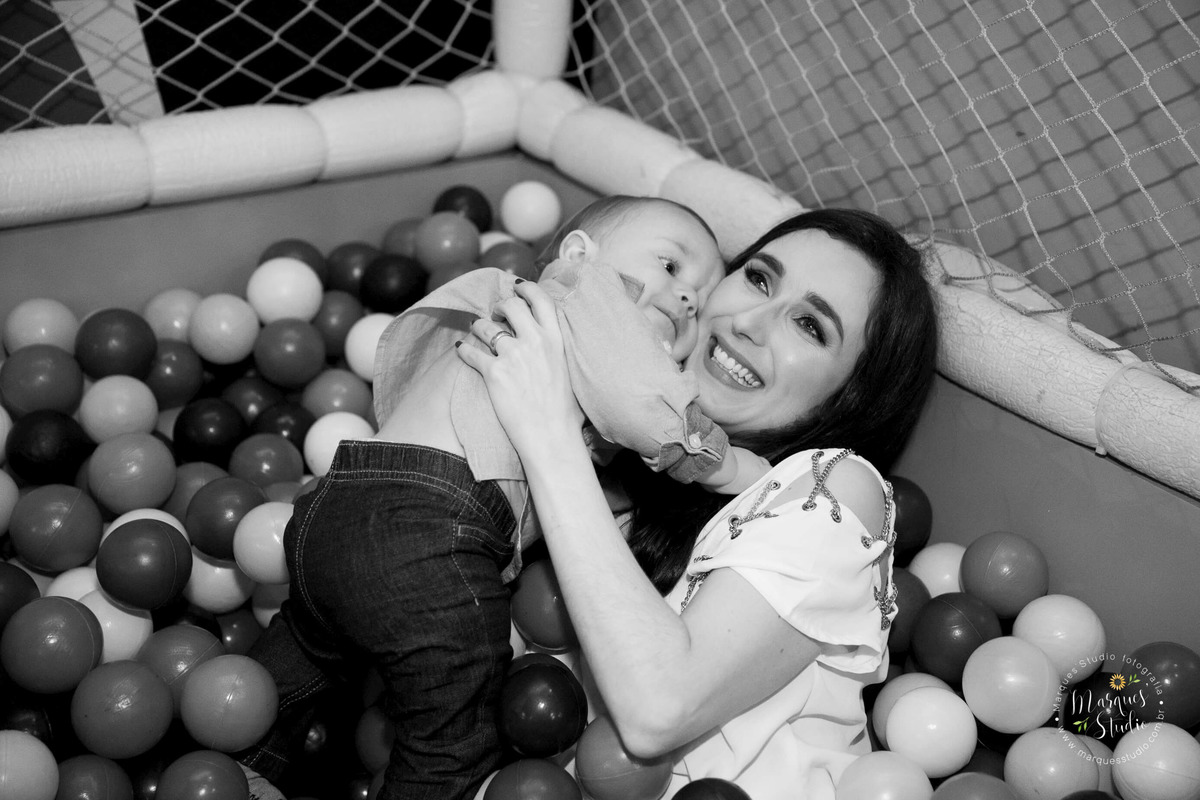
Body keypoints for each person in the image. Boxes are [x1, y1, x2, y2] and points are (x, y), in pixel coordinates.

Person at [237, 196, 771, 800]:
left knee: (284, 677)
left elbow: (567, 474)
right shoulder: (580, 298)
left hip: (336, 506)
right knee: (454, 737)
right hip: (426, 532)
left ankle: (232, 773)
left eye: (699, 301)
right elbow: (641, 401)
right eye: (671, 267)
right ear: (577, 255)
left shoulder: (526, 327)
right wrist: (725, 465)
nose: (686, 299)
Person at [456, 207, 939, 798]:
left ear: (851, 397)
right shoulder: (630, 458)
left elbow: (658, 706)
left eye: (810, 326)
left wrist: (546, 432)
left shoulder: (835, 486)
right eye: (759, 278)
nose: (750, 324)